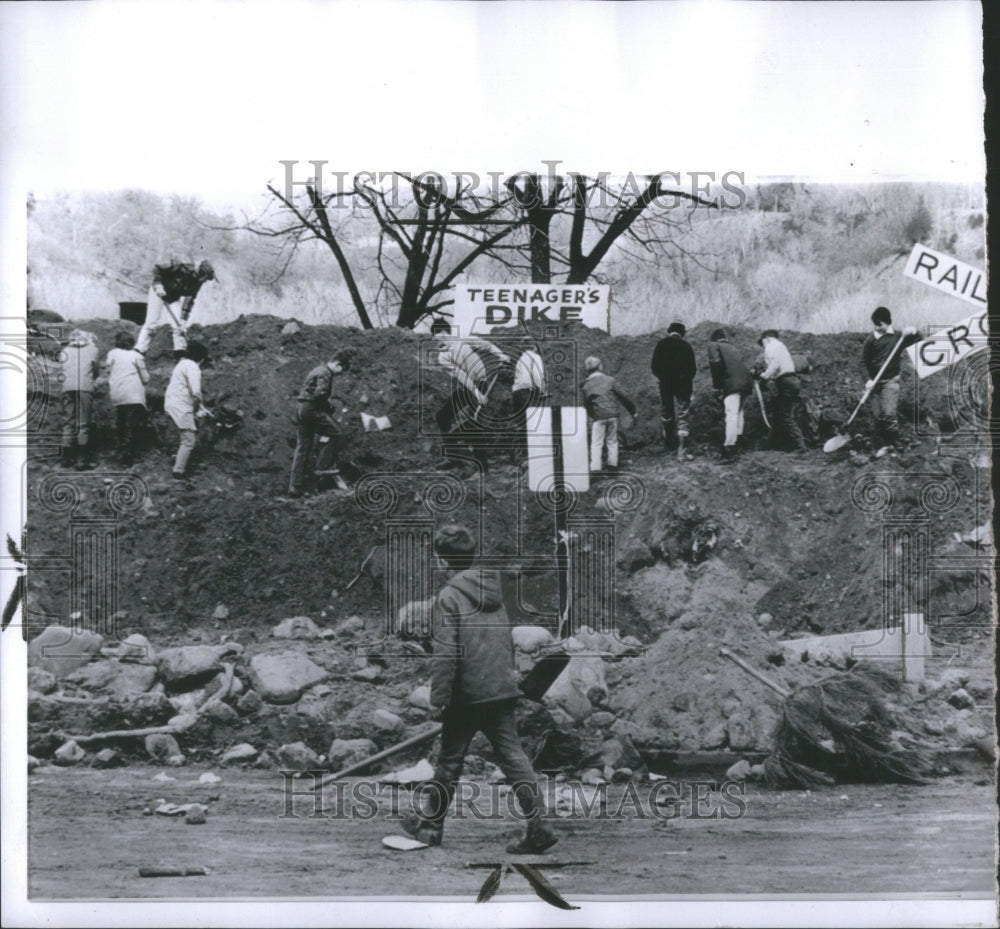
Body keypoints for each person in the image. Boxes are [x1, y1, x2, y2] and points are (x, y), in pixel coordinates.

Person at [403, 524, 557, 854]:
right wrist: (506, 681)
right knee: (515, 758)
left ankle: (430, 828)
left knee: (449, 761)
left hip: (467, 695)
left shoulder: (449, 597)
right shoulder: (493, 592)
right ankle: (539, 826)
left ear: (443, 562)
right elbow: (502, 641)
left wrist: (440, 697)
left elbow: (446, 651)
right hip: (501, 690)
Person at [431, 319, 510, 474]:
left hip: (481, 383)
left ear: (443, 333)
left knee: (474, 422)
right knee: (442, 416)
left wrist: (501, 355)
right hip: (469, 387)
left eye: (435, 335)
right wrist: (476, 393)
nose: (434, 339)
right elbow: (460, 375)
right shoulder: (443, 357)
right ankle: (453, 457)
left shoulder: (463, 339)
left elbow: (486, 345)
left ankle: (483, 467)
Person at [288, 355, 348, 497]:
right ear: (338, 364)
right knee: (336, 433)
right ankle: (323, 466)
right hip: (311, 409)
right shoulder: (325, 372)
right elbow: (319, 394)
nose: (340, 373)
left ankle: (295, 487)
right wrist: (328, 406)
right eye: (342, 370)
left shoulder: (317, 369)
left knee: (303, 447)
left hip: (301, 409)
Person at [860, 307, 920, 451]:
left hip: (891, 381)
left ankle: (893, 443)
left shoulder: (899, 337)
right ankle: (881, 443)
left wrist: (914, 331)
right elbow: (863, 362)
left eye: (879, 324)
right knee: (877, 415)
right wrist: (867, 380)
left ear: (887, 323)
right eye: (874, 323)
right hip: (874, 383)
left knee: (888, 413)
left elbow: (919, 340)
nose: (876, 326)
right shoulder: (870, 340)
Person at [136, 259, 216, 357]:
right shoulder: (180, 266)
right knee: (152, 323)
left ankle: (180, 353)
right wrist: (158, 285)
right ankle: (139, 351)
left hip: (173, 296)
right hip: (159, 292)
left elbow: (190, 300)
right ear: (200, 272)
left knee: (179, 326)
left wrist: (183, 319)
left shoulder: (197, 282)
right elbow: (157, 268)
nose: (205, 281)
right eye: (205, 277)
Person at [581, 356, 637, 474]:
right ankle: (612, 465)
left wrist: (592, 415)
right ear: (600, 366)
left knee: (596, 443)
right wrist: (633, 410)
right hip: (613, 414)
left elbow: (587, 405)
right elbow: (623, 397)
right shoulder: (610, 380)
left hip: (598, 417)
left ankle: (596, 468)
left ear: (587, 370)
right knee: (612, 440)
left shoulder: (586, 386)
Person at [164, 340, 210, 479]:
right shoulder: (193, 367)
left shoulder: (181, 364)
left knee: (185, 435)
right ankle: (178, 472)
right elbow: (195, 391)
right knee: (189, 439)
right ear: (201, 359)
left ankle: (178, 459)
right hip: (181, 406)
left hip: (171, 403)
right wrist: (200, 407)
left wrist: (198, 408)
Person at [650, 321, 696, 460]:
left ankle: (669, 443)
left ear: (670, 332)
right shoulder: (687, 347)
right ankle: (681, 451)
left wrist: (664, 378)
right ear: (682, 334)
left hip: (666, 386)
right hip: (683, 387)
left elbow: (654, 366)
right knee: (683, 416)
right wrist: (685, 380)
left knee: (667, 413)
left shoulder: (661, 344)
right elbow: (692, 370)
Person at [103, 331, 150, 466]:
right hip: (133, 394)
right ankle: (127, 457)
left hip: (118, 393)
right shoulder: (137, 356)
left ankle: (121, 451)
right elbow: (145, 378)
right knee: (130, 425)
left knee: (121, 422)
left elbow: (108, 371)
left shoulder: (112, 354)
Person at [707, 329, 753, 462]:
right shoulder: (734, 348)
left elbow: (715, 365)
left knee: (731, 414)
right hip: (745, 384)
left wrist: (716, 387)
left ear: (715, 339)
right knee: (739, 414)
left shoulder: (714, 345)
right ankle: (738, 445)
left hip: (732, 384)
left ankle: (729, 449)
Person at [757, 329, 806, 452]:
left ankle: (801, 447)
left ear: (766, 338)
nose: (762, 346)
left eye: (762, 343)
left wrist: (764, 376)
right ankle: (771, 444)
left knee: (785, 415)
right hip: (792, 381)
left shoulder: (770, 345)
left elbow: (775, 364)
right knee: (779, 413)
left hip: (785, 382)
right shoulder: (781, 346)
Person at [59, 329, 100, 470]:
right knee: (83, 424)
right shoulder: (93, 349)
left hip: (67, 387)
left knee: (68, 422)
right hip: (85, 387)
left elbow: (62, 370)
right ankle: (82, 461)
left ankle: (66, 459)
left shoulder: (64, 351)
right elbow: (96, 371)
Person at [510, 338, 546, 464]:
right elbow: (537, 375)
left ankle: (516, 456)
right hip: (526, 392)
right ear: (534, 347)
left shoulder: (521, 359)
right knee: (532, 424)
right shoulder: (535, 357)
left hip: (515, 393)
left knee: (520, 424)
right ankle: (531, 456)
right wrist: (542, 390)